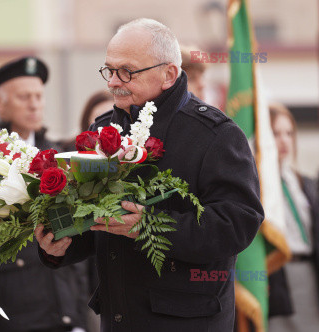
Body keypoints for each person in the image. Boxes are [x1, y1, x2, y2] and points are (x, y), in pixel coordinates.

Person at [35, 18, 264, 331]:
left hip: (190, 323)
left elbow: (238, 223)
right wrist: (59, 246)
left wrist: (149, 225)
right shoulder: (100, 131)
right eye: (109, 70)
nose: (113, 82)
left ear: (168, 74)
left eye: (126, 71)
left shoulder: (215, 135)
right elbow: (92, 220)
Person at [0, 57, 88, 332]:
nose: (34, 104)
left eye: (38, 96)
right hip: (12, 305)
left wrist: (79, 315)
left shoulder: (55, 152)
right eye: (24, 97)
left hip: (64, 305)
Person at [268, 103, 319, 331]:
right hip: (277, 274)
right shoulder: (257, 184)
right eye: (276, 133)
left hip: (308, 273)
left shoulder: (302, 182)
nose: (284, 140)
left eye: (289, 133)